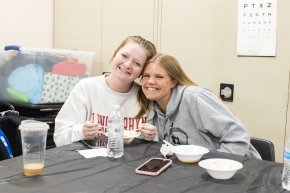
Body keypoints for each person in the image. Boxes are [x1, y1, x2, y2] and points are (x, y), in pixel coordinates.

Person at [137, 53, 261, 159]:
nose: (150, 81)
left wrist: (214, 165)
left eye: (159, 77)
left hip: (234, 169)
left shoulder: (195, 97)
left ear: (173, 82)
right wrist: (151, 137)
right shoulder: (153, 106)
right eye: (146, 76)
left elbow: (238, 136)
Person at [54, 36, 157, 147]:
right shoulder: (86, 88)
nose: (127, 65)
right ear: (114, 54)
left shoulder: (145, 96)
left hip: (132, 162)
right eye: (124, 56)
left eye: (137, 63)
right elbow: (60, 137)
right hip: (91, 162)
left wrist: (151, 136)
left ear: (142, 72)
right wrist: (81, 131)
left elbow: (155, 144)